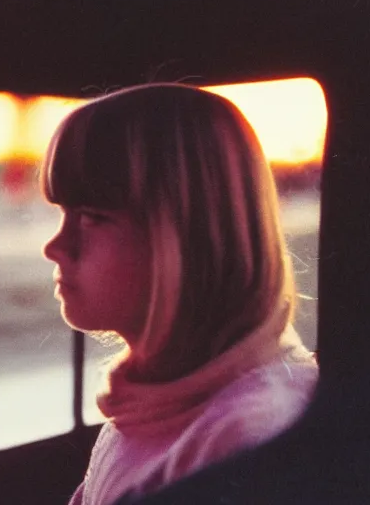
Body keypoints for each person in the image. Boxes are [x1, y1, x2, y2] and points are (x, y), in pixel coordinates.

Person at [40, 83, 319, 505]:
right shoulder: (151, 398)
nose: (54, 247)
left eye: (94, 216)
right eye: (63, 213)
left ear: (189, 239)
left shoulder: (244, 438)